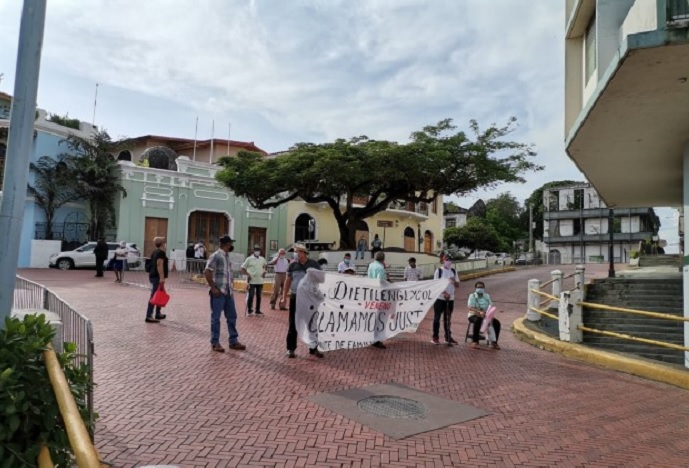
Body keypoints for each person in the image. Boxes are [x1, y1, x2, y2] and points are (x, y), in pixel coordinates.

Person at [204, 235, 246, 353]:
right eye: (230, 244)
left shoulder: (227, 257)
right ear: (226, 244)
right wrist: (213, 288)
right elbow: (207, 272)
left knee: (232, 317)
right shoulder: (216, 256)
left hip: (228, 292)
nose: (231, 246)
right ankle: (215, 342)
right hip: (218, 292)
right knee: (216, 318)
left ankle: (233, 341)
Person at [281, 244, 323, 359]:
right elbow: (288, 281)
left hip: (310, 299)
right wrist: (284, 297)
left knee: (312, 322)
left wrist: (313, 274)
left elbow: (322, 279)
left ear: (304, 253)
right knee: (293, 323)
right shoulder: (292, 265)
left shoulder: (314, 264)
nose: (296, 254)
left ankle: (313, 348)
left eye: (298, 252)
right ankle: (290, 349)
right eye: (295, 252)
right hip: (295, 298)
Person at [432, 260, 460, 345]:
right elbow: (436, 284)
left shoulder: (453, 271)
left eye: (450, 261)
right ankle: (435, 337)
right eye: (447, 260)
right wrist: (444, 293)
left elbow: (458, 285)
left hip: (450, 299)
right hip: (440, 299)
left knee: (447, 319)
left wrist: (454, 281)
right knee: (437, 318)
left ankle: (448, 337)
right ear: (443, 261)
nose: (449, 262)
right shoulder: (439, 271)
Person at [468, 281, 501, 350]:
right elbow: (470, 308)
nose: (480, 288)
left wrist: (490, 314)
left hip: (486, 315)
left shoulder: (486, 296)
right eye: (478, 287)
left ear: (484, 288)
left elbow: (490, 305)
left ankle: (494, 342)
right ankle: (475, 342)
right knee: (478, 320)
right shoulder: (472, 296)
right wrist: (479, 312)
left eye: (481, 287)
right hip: (474, 314)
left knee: (497, 323)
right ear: (475, 288)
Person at [366, 251, 388, 349]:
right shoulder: (380, 268)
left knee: (373, 317)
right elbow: (381, 282)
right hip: (379, 295)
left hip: (372, 293)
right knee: (380, 318)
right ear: (383, 259)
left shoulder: (371, 265)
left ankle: (372, 337)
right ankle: (377, 339)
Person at [145, 237, 169, 323]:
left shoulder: (155, 252)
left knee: (160, 294)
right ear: (161, 243)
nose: (165, 243)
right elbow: (159, 264)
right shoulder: (161, 253)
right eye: (164, 242)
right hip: (157, 277)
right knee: (154, 295)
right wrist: (162, 278)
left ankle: (158, 313)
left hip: (153, 275)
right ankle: (149, 315)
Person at [241, 245, 267, 315]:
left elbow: (265, 265)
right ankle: (249, 310)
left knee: (259, 296)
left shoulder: (262, 259)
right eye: (256, 250)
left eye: (258, 250)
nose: (257, 251)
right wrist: (247, 274)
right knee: (251, 295)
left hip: (260, 280)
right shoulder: (249, 259)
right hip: (252, 280)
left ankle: (257, 310)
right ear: (253, 251)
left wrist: (264, 272)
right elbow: (242, 268)